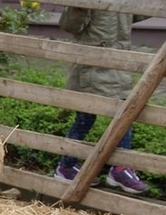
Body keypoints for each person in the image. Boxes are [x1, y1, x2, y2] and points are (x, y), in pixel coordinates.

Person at [54, 7, 149, 195]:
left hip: (119, 66)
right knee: (86, 118)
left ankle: (118, 168)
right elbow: (70, 25)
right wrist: (79, 7)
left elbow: (137, 12)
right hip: (92, 68)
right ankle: (69, 166)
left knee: (124, 114)